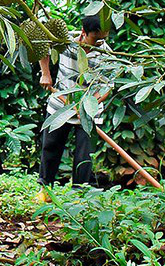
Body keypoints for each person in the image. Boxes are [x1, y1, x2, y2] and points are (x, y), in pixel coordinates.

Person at [36, 15, 111, 196]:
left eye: (104, 39)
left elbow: (107, 87)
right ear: (84, 33)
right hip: (60, 103)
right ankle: (45, 189)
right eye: (97, 38)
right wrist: (45, 74)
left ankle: (79, 194)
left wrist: (88, 105)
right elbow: (43, 47)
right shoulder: (65, 41)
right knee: (50, 147)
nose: (100, 43)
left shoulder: (107, 54)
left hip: (89, 110)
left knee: (84, 155)